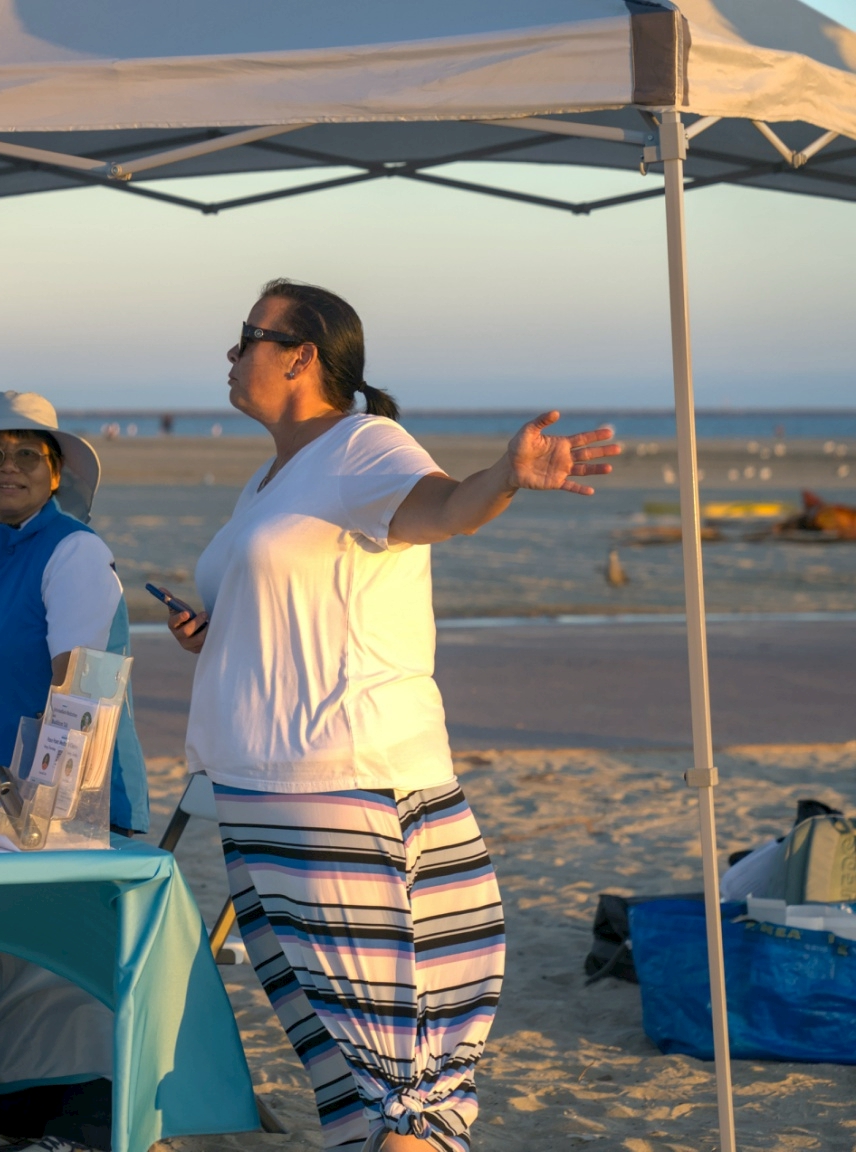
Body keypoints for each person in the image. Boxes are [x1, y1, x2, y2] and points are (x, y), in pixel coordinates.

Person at [168, 280, 618, 1152]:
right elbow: (297, 603)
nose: (230, 355)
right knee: (351, 1074)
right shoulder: (271, 477)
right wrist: (215, 632)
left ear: (300, 357)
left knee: (398, 1078)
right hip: (261, 792)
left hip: (345, 784)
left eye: (246, 338)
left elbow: (441, 509)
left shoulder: (365, 446)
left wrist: (507, 479)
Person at [0, 390, 149, 1152]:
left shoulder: (74, 550)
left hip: (67, 800)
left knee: (63, 971)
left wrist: (47, 810)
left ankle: (82, 1129)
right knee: (17, 964)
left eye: (28, 454)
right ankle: (19, 1113)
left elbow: (77, 686)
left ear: (56, 474)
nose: (8, 467)